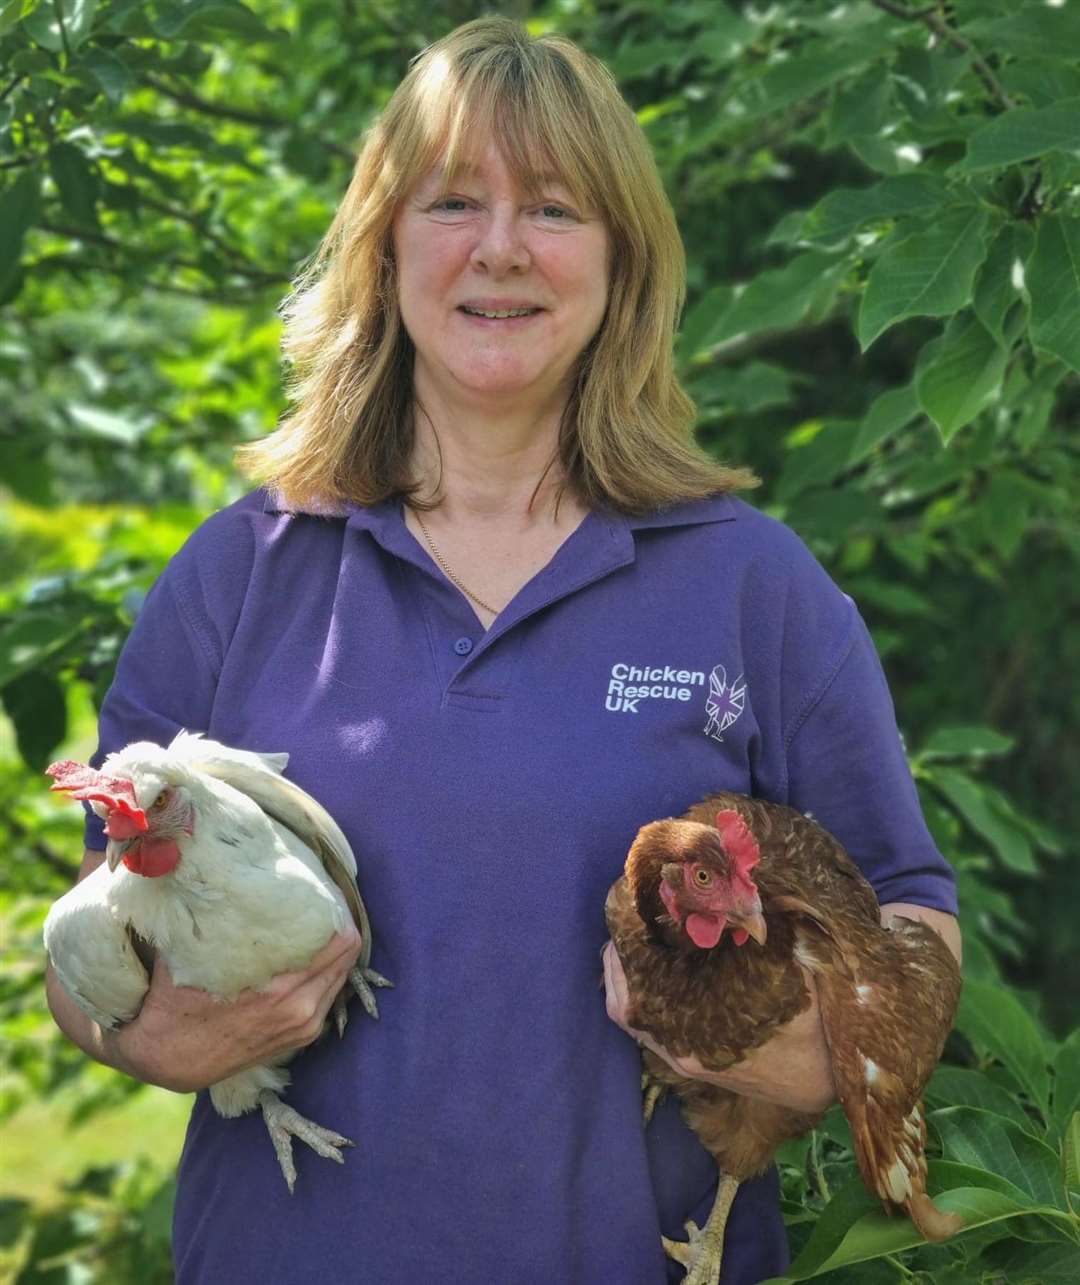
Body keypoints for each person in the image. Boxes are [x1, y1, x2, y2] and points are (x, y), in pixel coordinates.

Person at [45, 17, 960, 1284]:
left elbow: (912, 903)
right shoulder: (242, 573)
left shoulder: (753, 583)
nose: (500, 248)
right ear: (384, 248)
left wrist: (821, 1053)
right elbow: (91, 941)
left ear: (620, 261)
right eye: (453, 201)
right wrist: (150, 1039)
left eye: (555, 208)